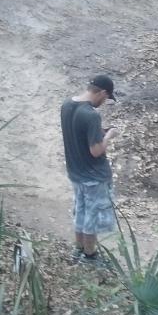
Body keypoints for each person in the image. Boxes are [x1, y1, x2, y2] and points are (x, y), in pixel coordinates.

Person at [59, 75, 119, 264]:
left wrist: (97, 134)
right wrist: (109, 135)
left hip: (75, 171)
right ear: (101, 92)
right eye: (106, 98)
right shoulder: (91, 115)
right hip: (93, 175)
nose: (104, 102)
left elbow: (78, 134)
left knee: (80, 210)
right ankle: (90, 256)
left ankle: (78, 250)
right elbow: (96, 150)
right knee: (92, 215)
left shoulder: (67, 105)